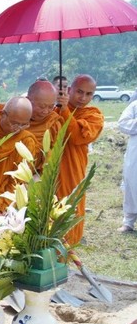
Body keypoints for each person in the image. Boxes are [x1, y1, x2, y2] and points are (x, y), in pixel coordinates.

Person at [57, 75, 103, 245]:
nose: (83, 98)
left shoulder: (94, 115)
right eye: (79, 92)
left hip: (71, 171)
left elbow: (76, 137)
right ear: (69, 90)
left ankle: (66, 252)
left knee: (70, 206)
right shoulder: (55, 107)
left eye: (88, 94)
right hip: (46, 168)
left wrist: (64, 112)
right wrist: (59, 108)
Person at [0, 97, 36, 224]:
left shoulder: (25, 141)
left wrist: (5, 203)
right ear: (2, 114)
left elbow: (18, 180)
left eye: (24, 124)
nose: (18, 128)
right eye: (14, 123)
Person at [119, 97, 137, 233]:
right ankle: (128, 222)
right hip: (135, 154)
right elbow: (122, 123)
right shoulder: (134, 106)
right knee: (132, 184)